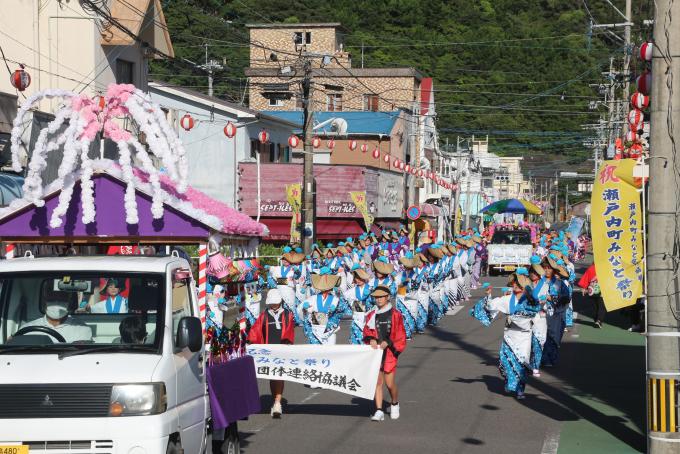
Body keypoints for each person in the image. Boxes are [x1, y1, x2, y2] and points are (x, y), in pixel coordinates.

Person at [470, 271, 541, 399]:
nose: (514, 285)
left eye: (518, 283)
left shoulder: (531, 301)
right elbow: (492, 305)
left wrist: (537, 332)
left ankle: (520, 390)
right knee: (505, 362)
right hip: (510, 335)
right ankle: (509, 381)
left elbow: (536, 318)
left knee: (522, 363)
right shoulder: (508, 299)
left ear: (523, 286)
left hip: (524, 336)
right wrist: (488, 295)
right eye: (514, 283)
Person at [248, 288, 295, 418]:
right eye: (272, 302)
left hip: (281, 349)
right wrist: (250, 340)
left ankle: (278, 403)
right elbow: (256, 330)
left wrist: (286, 343)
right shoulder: (264, 315)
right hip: (268, 350)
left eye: (275, 302)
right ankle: (275, 400)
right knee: (272, 376)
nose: (273, 305)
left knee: (279, 375)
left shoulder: (287, 314)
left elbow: (290, 331)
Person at [363, 285, 407, 421]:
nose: (379, 299)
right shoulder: (371, 315)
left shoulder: (395, 314)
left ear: (388, 297)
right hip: (376, 352)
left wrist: (388, 342)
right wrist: (371, 340)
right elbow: (367, 331)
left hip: (389, 352)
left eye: (381, 296)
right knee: (377, 383)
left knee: (389, 384)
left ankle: (394, 403)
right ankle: (379, 410)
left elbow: (400, 334)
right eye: (376, 297)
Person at [22, 290, 93, 343]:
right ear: (44, 303)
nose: (57, 303)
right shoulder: (26, 329)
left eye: (62, 299)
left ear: (70, 303)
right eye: (52, 299)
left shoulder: (82, 329)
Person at [578, 263, 605, 328]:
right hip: (602, 289)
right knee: (601, 306)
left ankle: (596, 319)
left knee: (595, 305)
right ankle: (599, 320)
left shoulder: (591, 268)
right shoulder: (605, 268)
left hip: (592, 289)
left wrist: (584, 288)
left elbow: (586, 278)